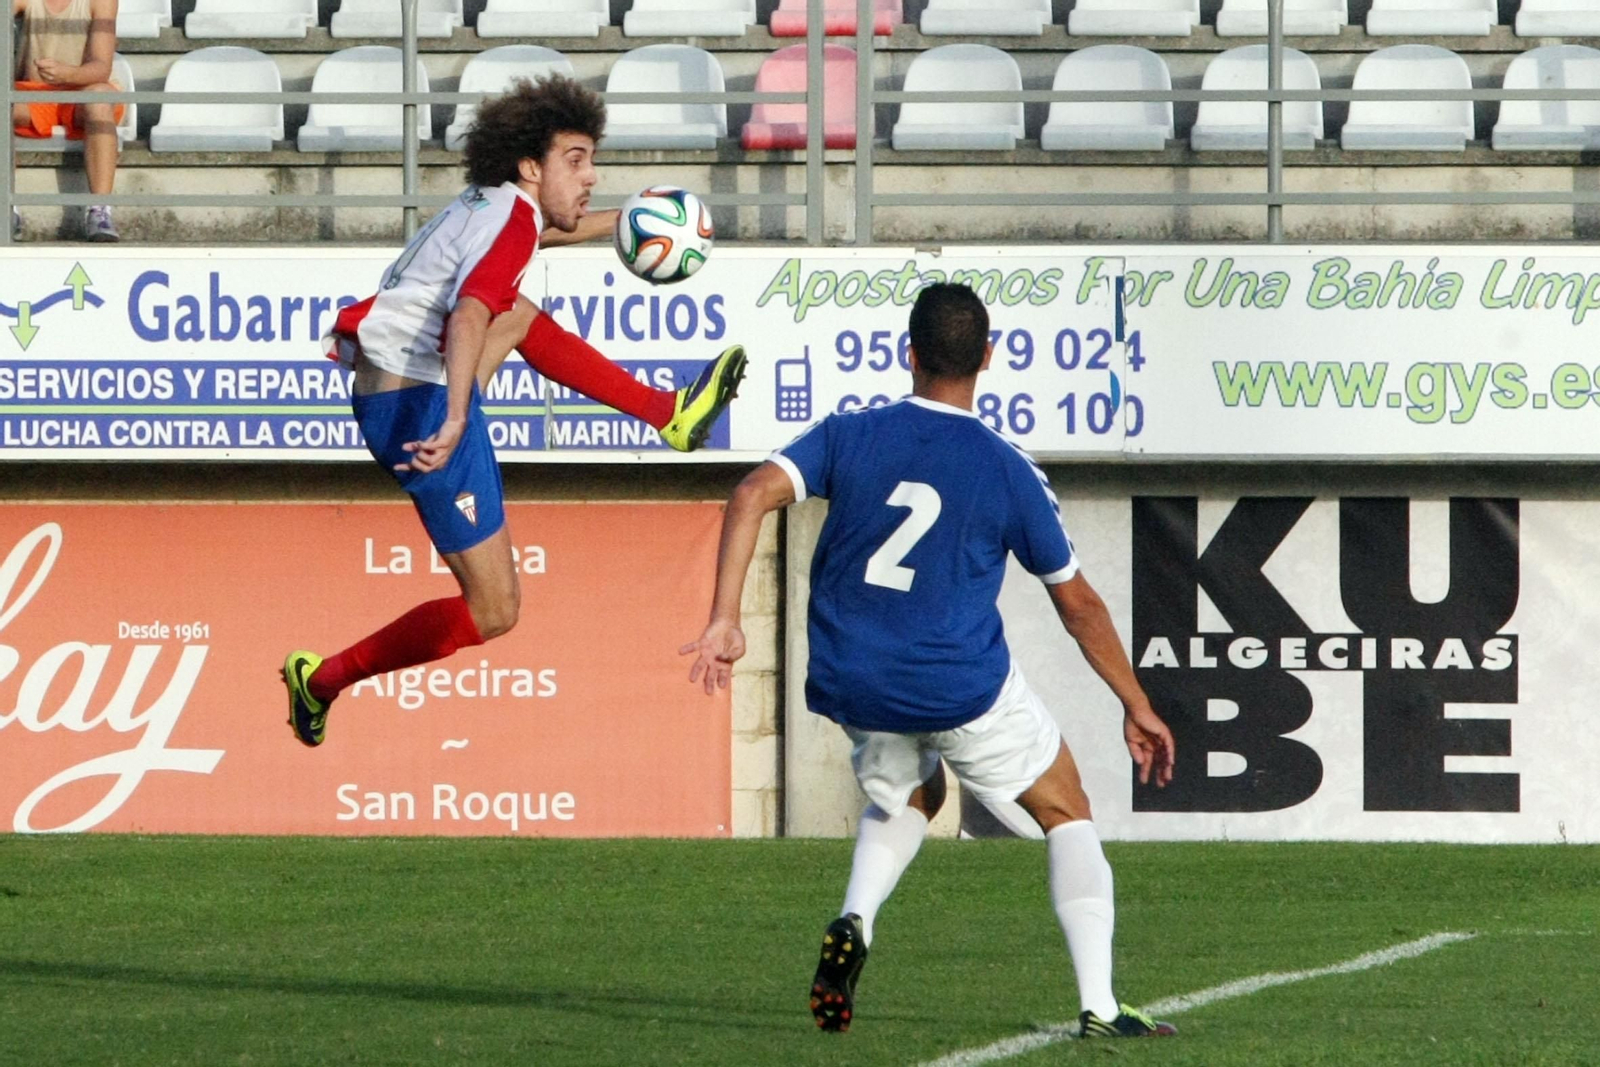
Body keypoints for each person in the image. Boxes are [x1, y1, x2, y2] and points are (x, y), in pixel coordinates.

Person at [680, 283, 1177, 1040]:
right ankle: (1102, 1007)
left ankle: (855, 919)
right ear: (987, 357)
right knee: (1066, 808)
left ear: (906, 353)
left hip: (854, 677)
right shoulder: (1006, 466)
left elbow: (749, 491)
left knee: (912, 792)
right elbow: (1077, 604)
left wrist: (725, 619)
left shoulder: (849, 433)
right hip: (957, 685)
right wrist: (1134, 701)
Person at [282, 74, 747, 747]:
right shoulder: (509, 223)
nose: (592, 175)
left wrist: (624, 222)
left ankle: (666, 413)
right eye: (576, 159)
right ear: (531, 165)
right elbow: (471, 310)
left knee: (521, 314)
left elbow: (530, 248)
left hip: (398, 386)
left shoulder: (496, 205)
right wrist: (456, 415)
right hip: (415, 404)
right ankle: (320, 680)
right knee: (495, 609)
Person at [12, 0, 123, 241]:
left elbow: (101, 67)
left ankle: (100, 210)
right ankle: (5, 206)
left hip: (82, 92)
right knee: (2, 102)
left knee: (100, 98)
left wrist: (67, 74)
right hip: (33, 94)